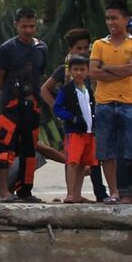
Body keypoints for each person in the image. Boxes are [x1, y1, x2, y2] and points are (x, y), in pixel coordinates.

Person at [89, 0, 132, 205]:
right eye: (108, 18)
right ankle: (114, 192)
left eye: (114, 18)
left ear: (126, 20)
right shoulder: (99, 44)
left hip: (128, 102)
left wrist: (106, 68)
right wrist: (119, 69)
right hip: (104, 103)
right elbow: (93, 72)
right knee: (107, 151)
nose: (111, 22)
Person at [0, 7, 50, 202]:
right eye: (24, 26)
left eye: (32, 26)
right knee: (5, 147)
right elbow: (0, 75)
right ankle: (4, 191)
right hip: (12, 105)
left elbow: (40, 73)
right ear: (16, 25)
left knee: (29, 149)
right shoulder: (6, 49)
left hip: (32, 106)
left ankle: (26, 191)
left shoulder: (42, 48)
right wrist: (4, 96)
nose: (28, 30)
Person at [42, 28, 109, 203]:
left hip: (89, 122)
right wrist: (61, 111)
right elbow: (44, 90)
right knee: (72, 158)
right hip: (73, 123)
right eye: (79, 48)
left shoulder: (90, 70)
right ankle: (71, 193)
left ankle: (89, 193)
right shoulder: (64, 71)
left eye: (86, 48)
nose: (83, 52)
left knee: (90, 158)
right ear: (70, 49)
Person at [53, 55, 99, 203]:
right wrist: (71, 118)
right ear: (70, 71)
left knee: (83, 164)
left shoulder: (88, 91)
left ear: (87, 71)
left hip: (88, 132)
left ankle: (77, 194)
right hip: (74, 131)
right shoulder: (66, 90)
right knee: (72, 162)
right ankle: (70, 193)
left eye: (82, 69)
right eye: (76, 70)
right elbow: (57, 108)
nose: (79, 73)